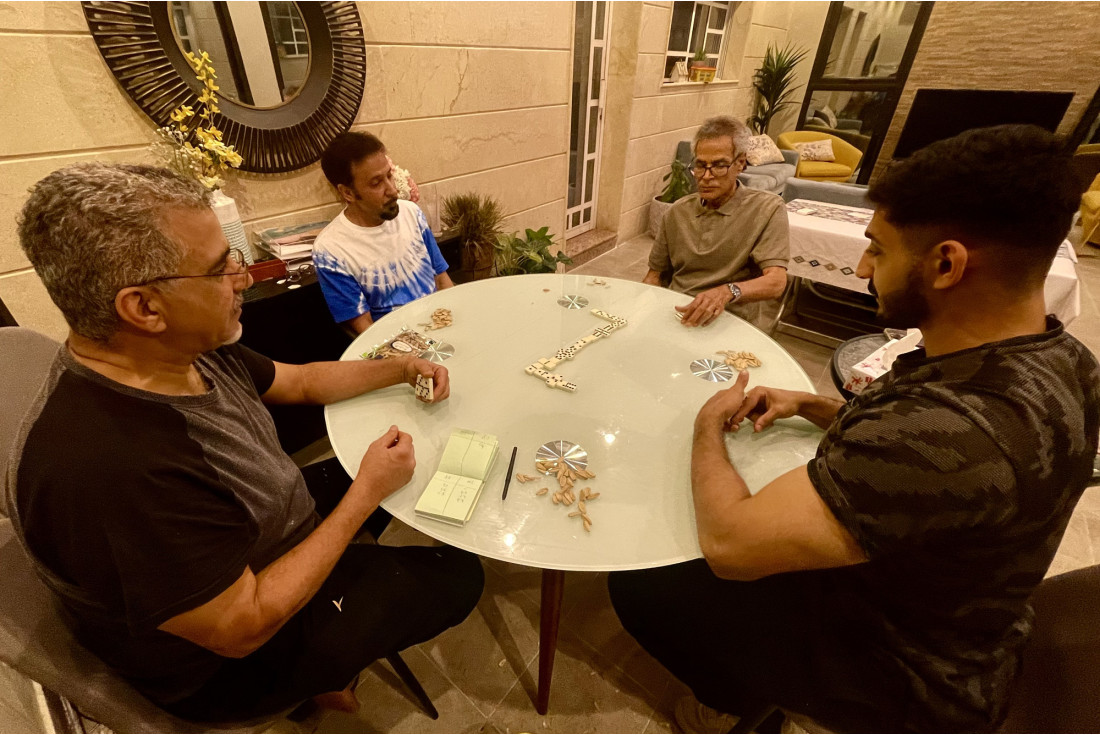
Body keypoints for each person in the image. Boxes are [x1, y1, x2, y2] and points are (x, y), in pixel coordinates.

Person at [610, 125, 1100, 733]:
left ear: (946, 263)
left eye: (880, 249)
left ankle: (730, 702)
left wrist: (707, 426)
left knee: (645, 584)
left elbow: (733, 546)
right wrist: (814, 406)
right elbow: (941, 468)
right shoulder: (1064, 360)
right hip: (965, 614)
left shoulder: (940, 432)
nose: (864, 265)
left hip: (900, 674)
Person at [8, 163, 484, 722]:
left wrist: (399, 367)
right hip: (228, 664)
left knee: (403, 468)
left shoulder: (181, 348)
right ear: (144, 307)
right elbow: (241, 628)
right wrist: (366, 495)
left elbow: (299, 380)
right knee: (460, 577)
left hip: (254, 536)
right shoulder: (110, 470)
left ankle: (331, 664)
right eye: (218, 269)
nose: (245, 278)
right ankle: (315, 681)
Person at [643, 116, 789, 329]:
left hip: (732, 318)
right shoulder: (677, 212)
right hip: (678, 313)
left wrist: (727, 291)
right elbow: (653, 276)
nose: (706, 176)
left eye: (719, 166)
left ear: (740, 163)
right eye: (700, 166)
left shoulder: (767, 209)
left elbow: (776, 282)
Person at [314, 132, 453, 334]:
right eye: (376, 183)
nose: (392, 190)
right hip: (396, 349)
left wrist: (456, 327)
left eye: (389, 175)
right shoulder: (330, 250)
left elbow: (442, 280)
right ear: (348, 193)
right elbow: (364, 329)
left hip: (441, 326)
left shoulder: (411, 213)